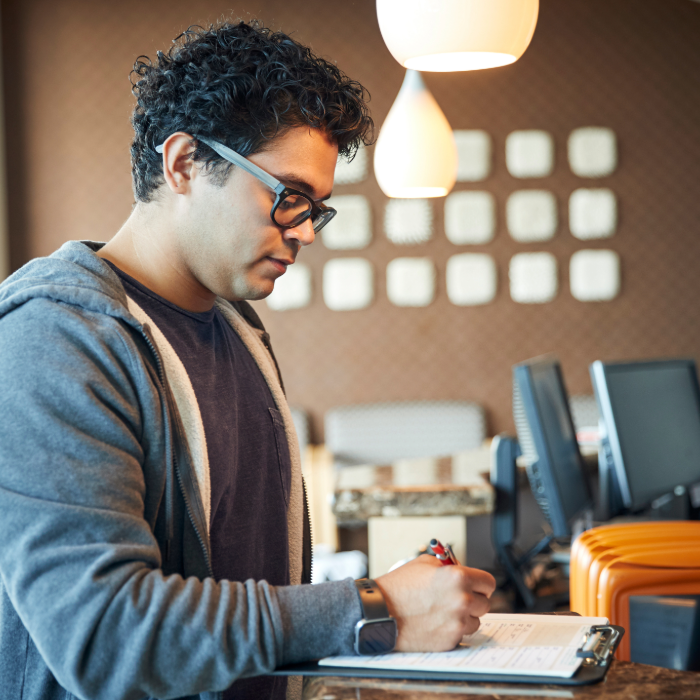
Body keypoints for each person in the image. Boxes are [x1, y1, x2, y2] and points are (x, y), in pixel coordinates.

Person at [0, 20, 496, 700]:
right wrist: (370, 606)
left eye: (315, 209)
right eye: (287, 196)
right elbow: (102, 633)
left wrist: (393, 603)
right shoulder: (56, 340)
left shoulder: (238, 328)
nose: (302, 232)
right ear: (182, 165)